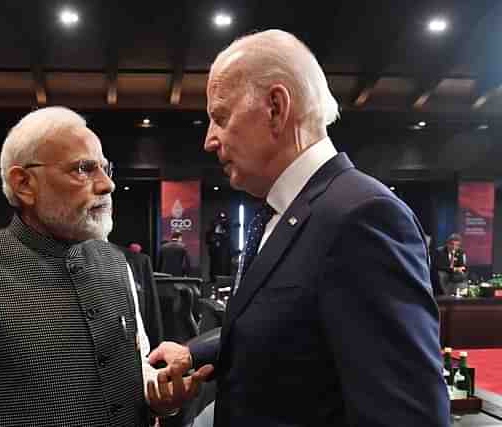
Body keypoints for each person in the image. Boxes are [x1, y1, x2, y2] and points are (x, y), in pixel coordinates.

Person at [149, 30, 449, 427]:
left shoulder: (363, 217)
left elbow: (409, 416)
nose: (209, 140)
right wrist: (195, 354)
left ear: (275, 107)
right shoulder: (282, 211)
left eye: (220, 117)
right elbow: (289, 327)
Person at [0, 107, 211, 426]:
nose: (107, 185)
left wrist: (160, 398)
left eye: (106, 169)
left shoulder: (116, 263)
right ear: (24, 183)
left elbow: (136, 370)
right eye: (83, 169)